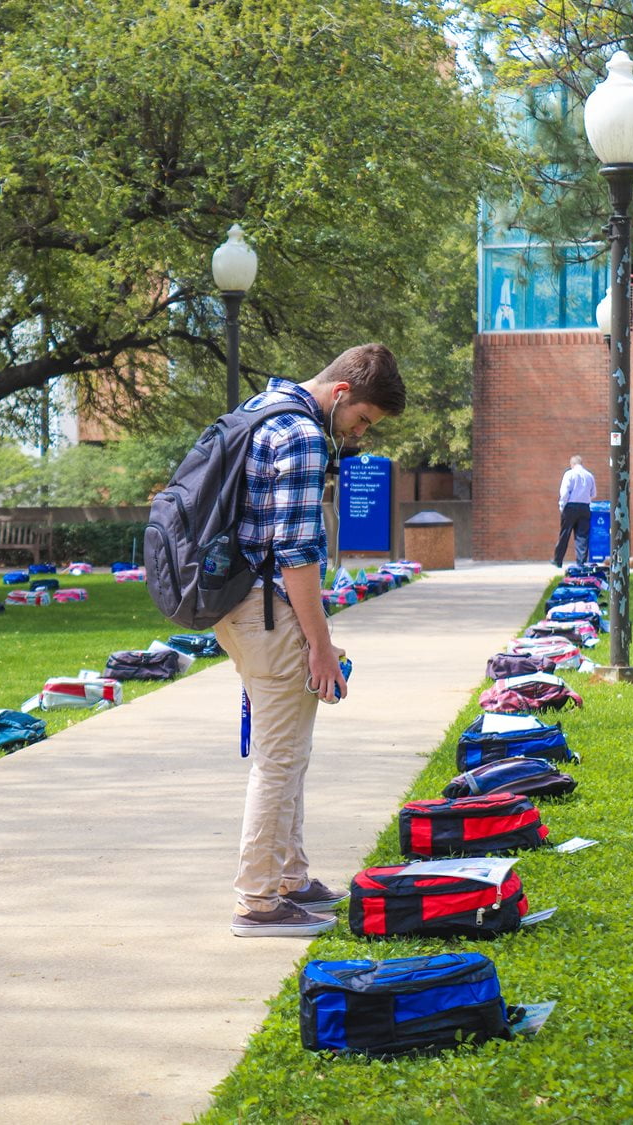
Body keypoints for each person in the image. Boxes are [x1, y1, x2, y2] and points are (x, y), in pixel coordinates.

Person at [214, 344, 406, 937]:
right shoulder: (299, 433)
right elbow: (296, 554)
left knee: (288, 752)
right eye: (364, 421)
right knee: (279, 761)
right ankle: (258, 901)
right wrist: (320, 645)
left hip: (238, 605)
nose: (360, 435)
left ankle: (291, 879)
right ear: (343, 394)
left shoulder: (263, 405)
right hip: (267, 611)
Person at [552, 455, 597, 568]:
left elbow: (565, 492)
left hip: (570, 507)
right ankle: (581, 562)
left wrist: (562, 505)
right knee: (582, 536)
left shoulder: (569, 474)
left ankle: (558, 560)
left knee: (565, 534)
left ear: (572, 464)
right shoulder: (589, 475)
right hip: (585, 507)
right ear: (581, 463)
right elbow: (593, 494)